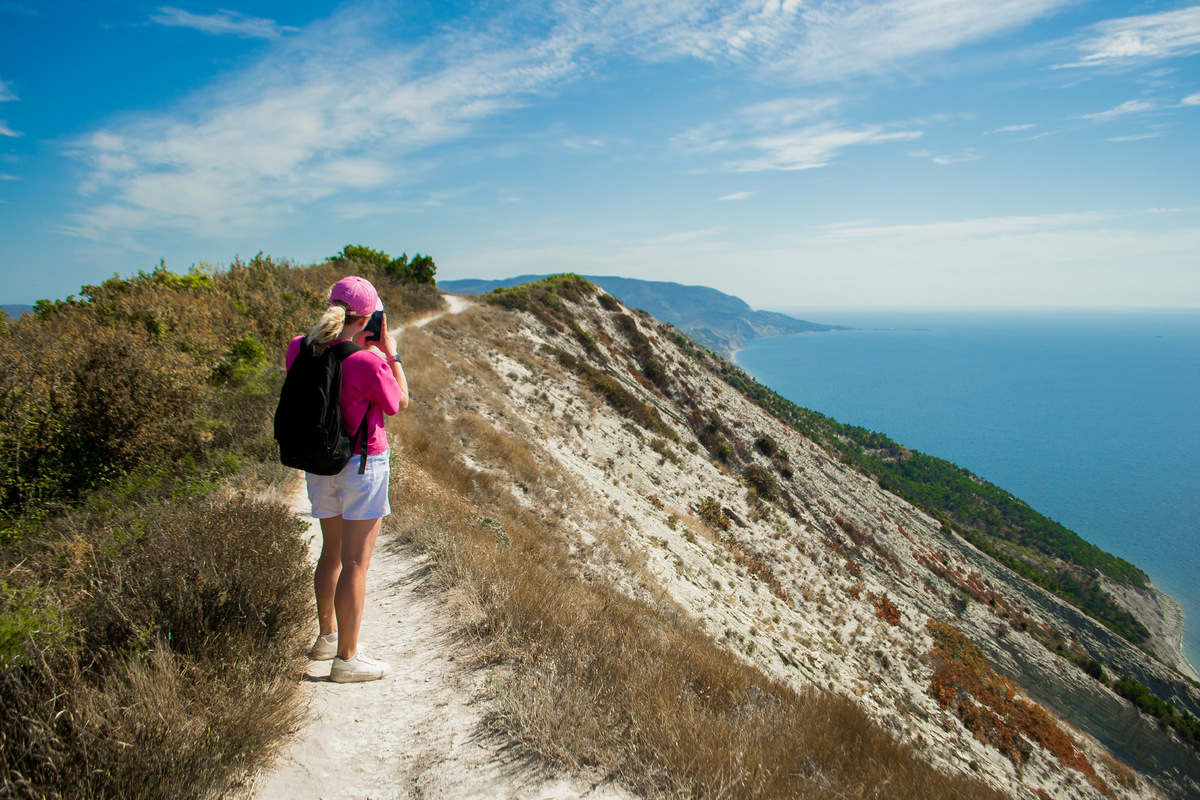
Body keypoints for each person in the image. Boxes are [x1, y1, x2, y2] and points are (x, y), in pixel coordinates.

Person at [285, 276, 408, 683]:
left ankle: (326, 638)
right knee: (356, 562)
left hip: (319, 465)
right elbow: (398, 403)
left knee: (330, 554)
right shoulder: (368, 362)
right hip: (361, 465)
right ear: (371, 318)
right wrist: (391, 355)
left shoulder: (299, 348)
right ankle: (347, 660)